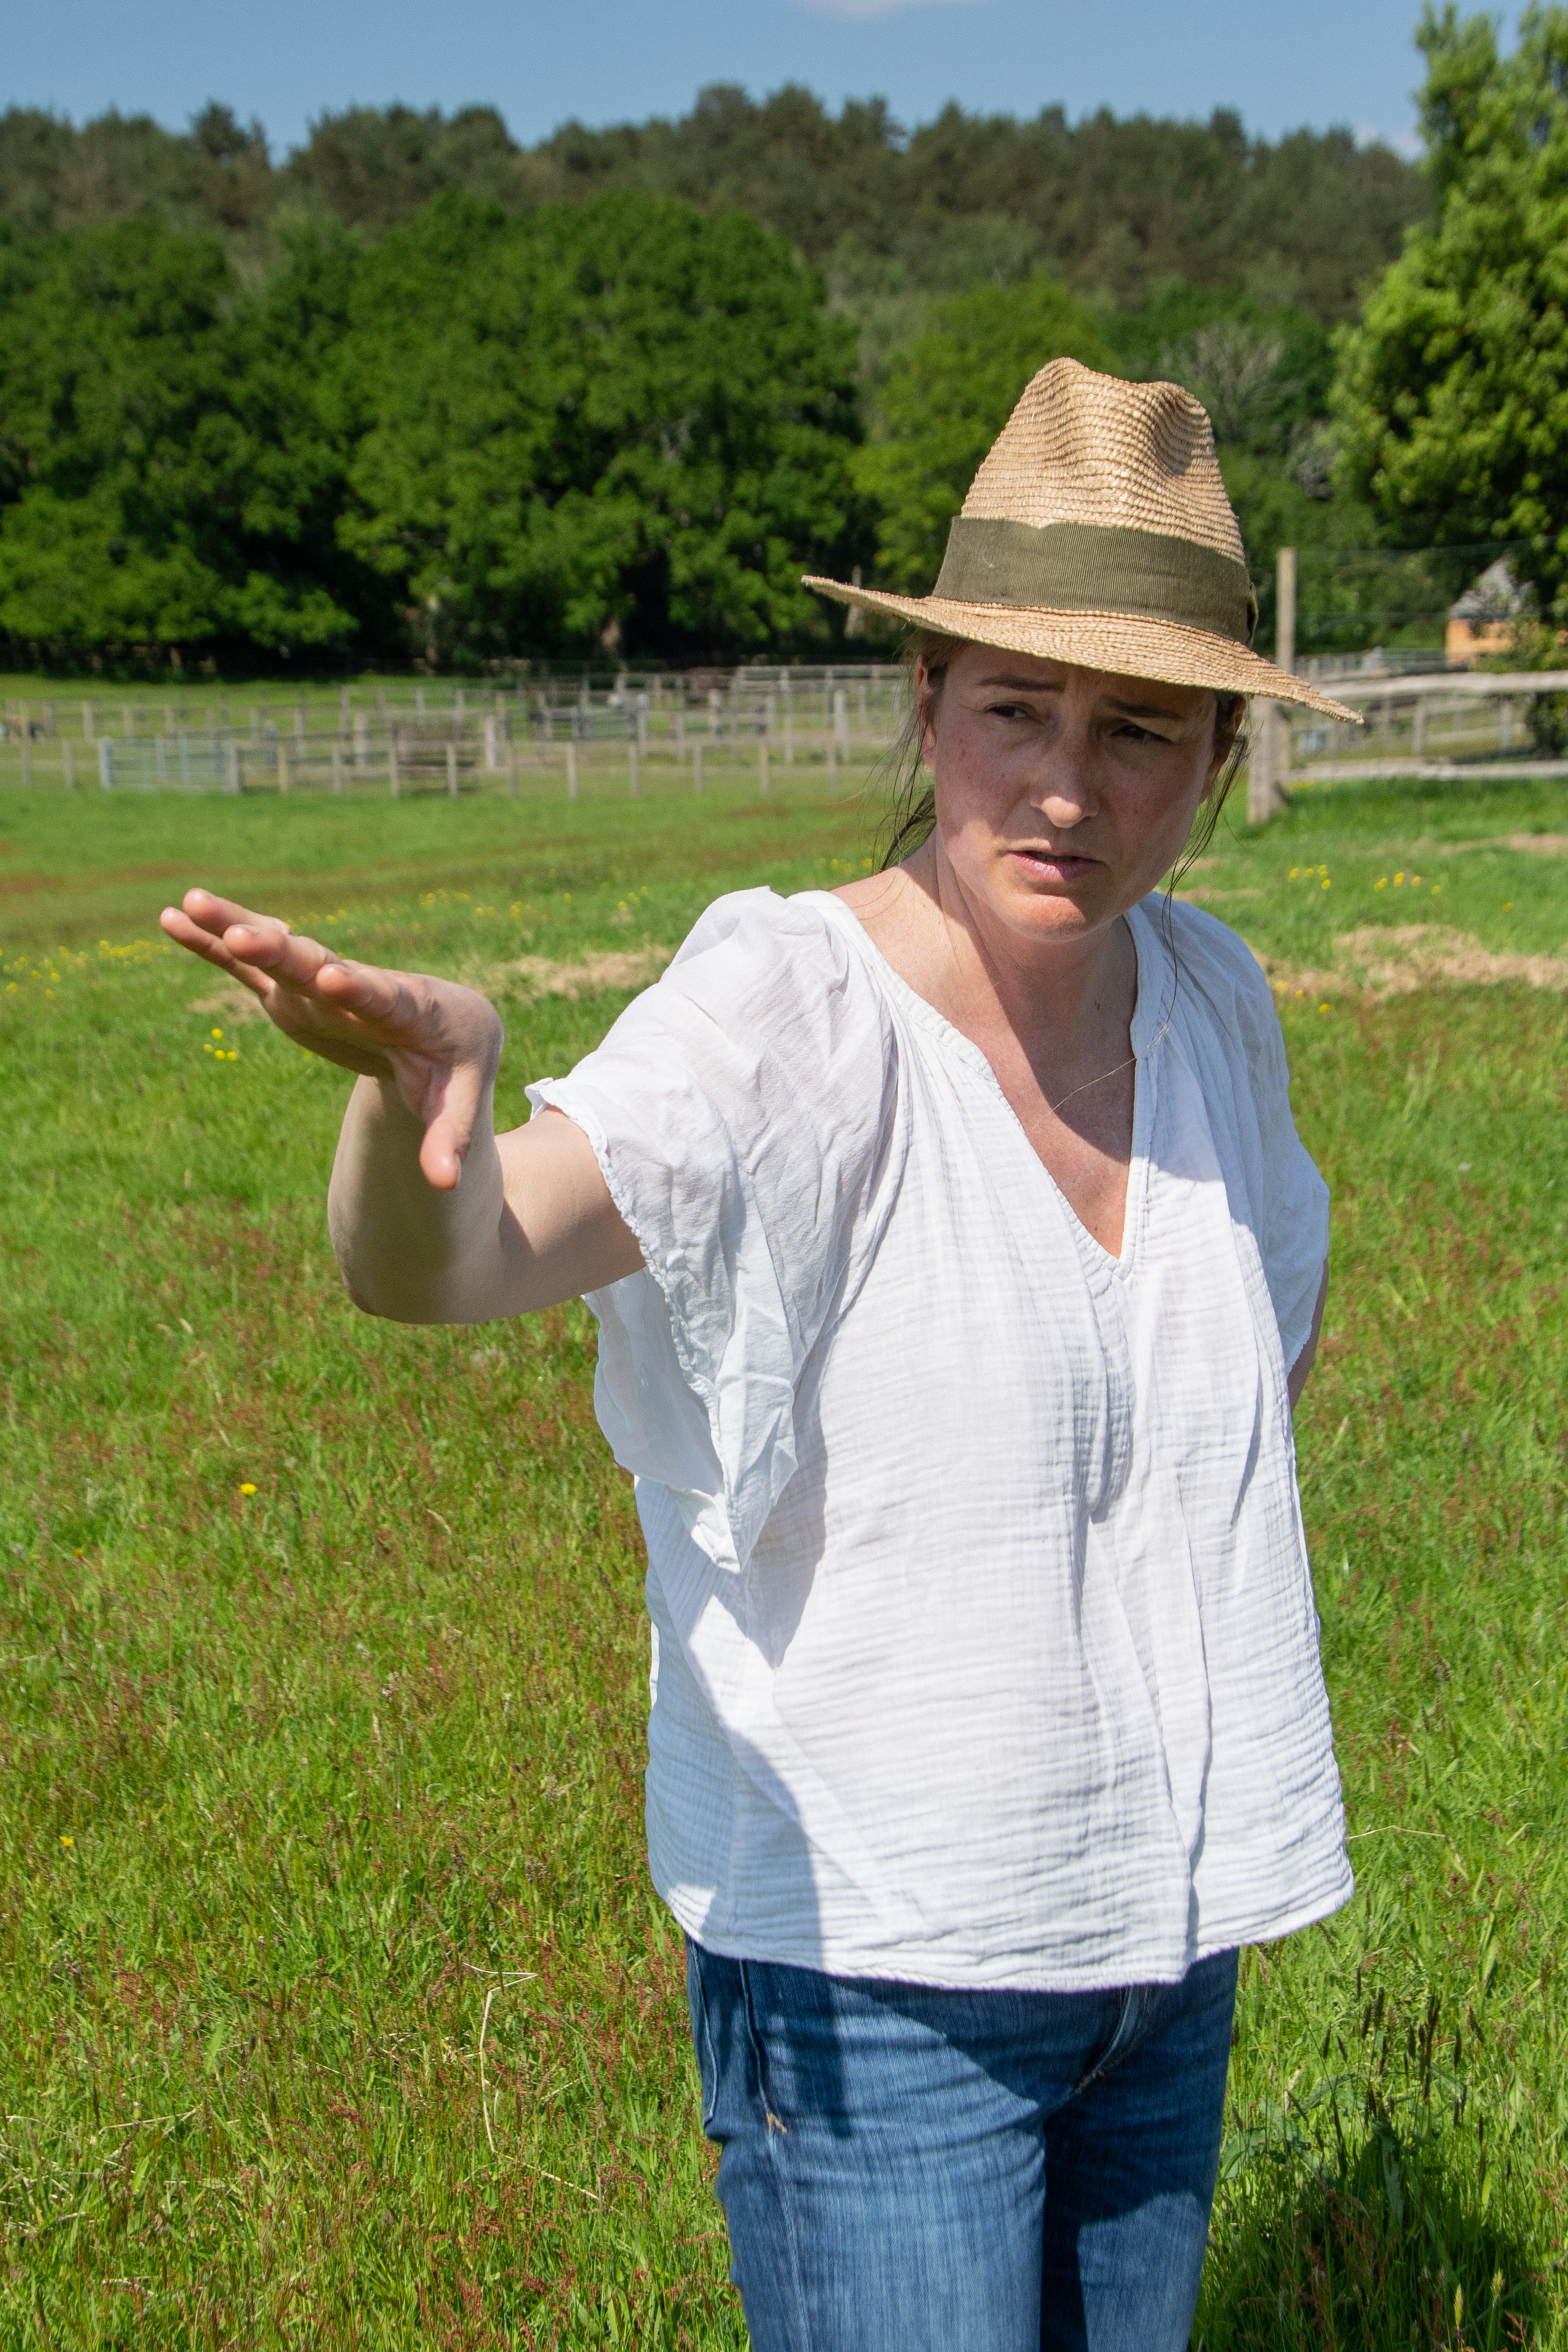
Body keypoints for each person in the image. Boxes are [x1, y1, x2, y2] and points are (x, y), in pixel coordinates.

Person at [161, 359, 1362, 2352]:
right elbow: (453, 1259)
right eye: (1009, 710)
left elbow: (1253, 1366)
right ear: (924, 706)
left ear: (1218, 754)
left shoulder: (1213, 1007)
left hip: (1161, 1953)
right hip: (873, 1987)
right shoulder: (787, 1015)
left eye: (1135, 730)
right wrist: (413, 1099)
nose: (1063, 785)